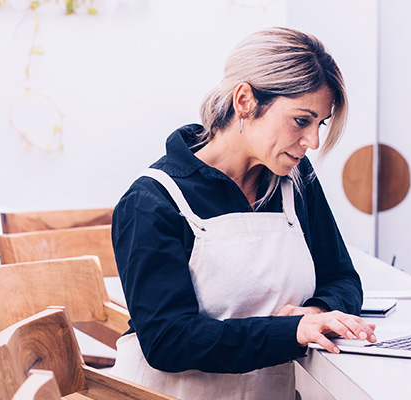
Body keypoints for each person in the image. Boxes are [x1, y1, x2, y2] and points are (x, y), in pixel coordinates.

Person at [108, 27, 372, 400]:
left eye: (320, 125)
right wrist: (291, 331)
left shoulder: (296, 182)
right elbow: (168, 340)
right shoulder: (153, 200)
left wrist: (315, 311)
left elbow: (342, 277)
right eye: (302, 120)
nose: (312, 142)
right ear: (245, 100)